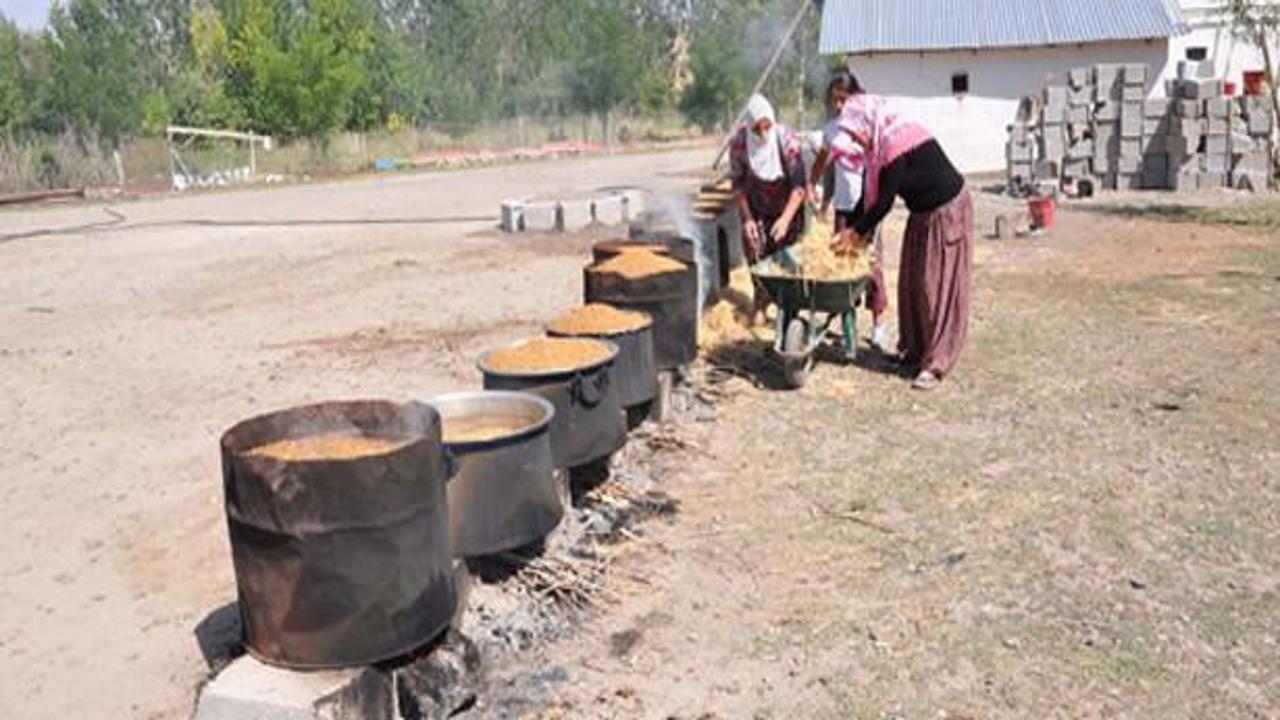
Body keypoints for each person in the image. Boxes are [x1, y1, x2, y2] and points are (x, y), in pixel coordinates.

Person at [833, 86, 974, 391]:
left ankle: (936, 364)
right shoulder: (877, 150)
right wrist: (848, 229)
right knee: (912, 285)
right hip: (922, 215)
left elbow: (883, 203)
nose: (856, 140)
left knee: (934, 288)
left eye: (856, 133)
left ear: (865, 122)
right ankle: (914, 352)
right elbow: (867, 201)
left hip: (946, 211)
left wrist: (855, 234)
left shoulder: (897, 140)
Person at [807, 71, 890, 352]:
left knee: (871, 266)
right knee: (841, 265)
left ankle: (879, 325)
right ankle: (847, 324)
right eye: (834, 101)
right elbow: (822, 160)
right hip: (844, 206)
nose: (839, 106)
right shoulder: (832, 129)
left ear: (855, 97)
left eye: (843, 99)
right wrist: (811, 184)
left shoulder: (868, 125)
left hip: (867, 206)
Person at [730, 93, 807, 323]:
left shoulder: (786, 140)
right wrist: (747, 219)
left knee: (786, 259)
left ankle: (789, 309)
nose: (763, 134)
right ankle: (761, 302)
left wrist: (784, 220)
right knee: (757, 255)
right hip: (758, 209)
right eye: (757, 129)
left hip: (787, 209)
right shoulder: (740, 144)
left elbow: (799, 186)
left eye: (767, 127)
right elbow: (737, 185)